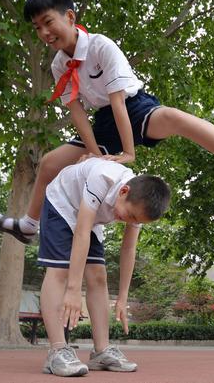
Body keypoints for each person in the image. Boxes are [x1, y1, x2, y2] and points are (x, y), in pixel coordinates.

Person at [0, 0, 214, 244]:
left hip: (133, 107)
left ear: (70, 17)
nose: (43, 32)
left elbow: (119, 102)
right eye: (37, 27)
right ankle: (28, 226)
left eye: (47, 22)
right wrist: (94, 154)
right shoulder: (57, 65)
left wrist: (128, 153)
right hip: (103, 122)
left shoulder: (100, 46)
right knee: (50, 163)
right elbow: (77, 113)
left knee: (175, 119)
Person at [36, 157, 170, 376]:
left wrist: (123, 297)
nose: (129, 221)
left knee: (98, 275)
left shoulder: (137, 204)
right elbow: (81, 232)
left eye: (135, 220)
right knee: (60, 271)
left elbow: (128, 250)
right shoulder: (102, 177)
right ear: (124, 191)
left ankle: (101, 351)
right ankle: (57, 351)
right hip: (62, 203)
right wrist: (72, 290)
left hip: (91, 217)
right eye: (130, 215)